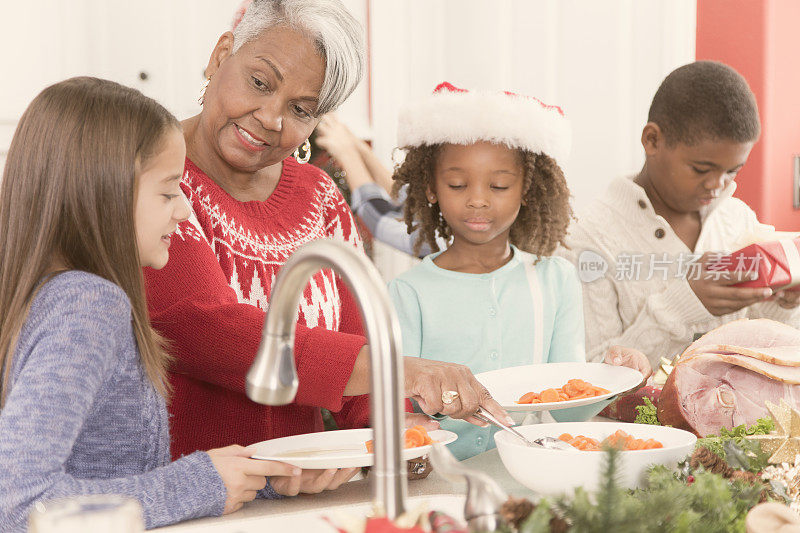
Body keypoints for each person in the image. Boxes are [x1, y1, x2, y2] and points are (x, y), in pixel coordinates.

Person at [143, 0, 508, 460]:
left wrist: (400, 430)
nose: (271, 118)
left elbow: (357, 344)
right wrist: (402, 370)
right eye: (259, 82)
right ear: (221, 55)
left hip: (301, 488)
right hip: (188, 493)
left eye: (300, 109)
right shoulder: (154, 177)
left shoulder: (318, 195)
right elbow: (212, 332)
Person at [0, 77, 350, 532]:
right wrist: (202, 482)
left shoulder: (49, 294)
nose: (183, 210)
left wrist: (257, 480)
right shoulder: (87, 304)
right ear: (102, 195)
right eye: (168, 192)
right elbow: (19, 501)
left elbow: (110, 478)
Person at [386, 82, 651, 460]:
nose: (478, 199)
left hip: (532, 472)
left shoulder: (555, 279)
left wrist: (612, 378)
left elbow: (568, 411)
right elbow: (400, 408)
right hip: (439, 479)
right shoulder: (407, 292)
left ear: (526, 187)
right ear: (431, 187)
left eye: (499, 185)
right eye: (457, 184)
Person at [558, 61, 800, 367]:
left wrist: (784, 303)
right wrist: (684, 306)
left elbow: (770, 350)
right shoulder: (585, 241)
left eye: (732, 170)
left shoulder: (737, 220)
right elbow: (589, 377)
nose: (717, 184)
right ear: (652, 140)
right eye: (701, 169)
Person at [314, 114, 441, 257]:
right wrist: (359, 148)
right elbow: (412, 200)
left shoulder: (446, 240)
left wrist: (347, 154)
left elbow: (378, 219)